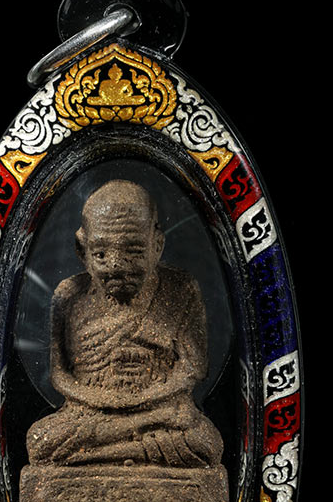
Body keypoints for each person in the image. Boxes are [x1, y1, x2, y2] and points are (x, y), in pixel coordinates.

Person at [25, 180, 224, 470]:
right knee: (41, 441)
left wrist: (144, 400)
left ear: (157, 246)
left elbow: (193, 368)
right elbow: (59, 375)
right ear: (82, 250)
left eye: (134, 252)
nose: (117, 266)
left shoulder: (181, 290)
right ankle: (132, 448)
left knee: (204, 443)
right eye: (101, 254)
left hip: (159, 410)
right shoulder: (69, 295)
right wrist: (101, 401)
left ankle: (95, 454)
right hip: (92, 412)